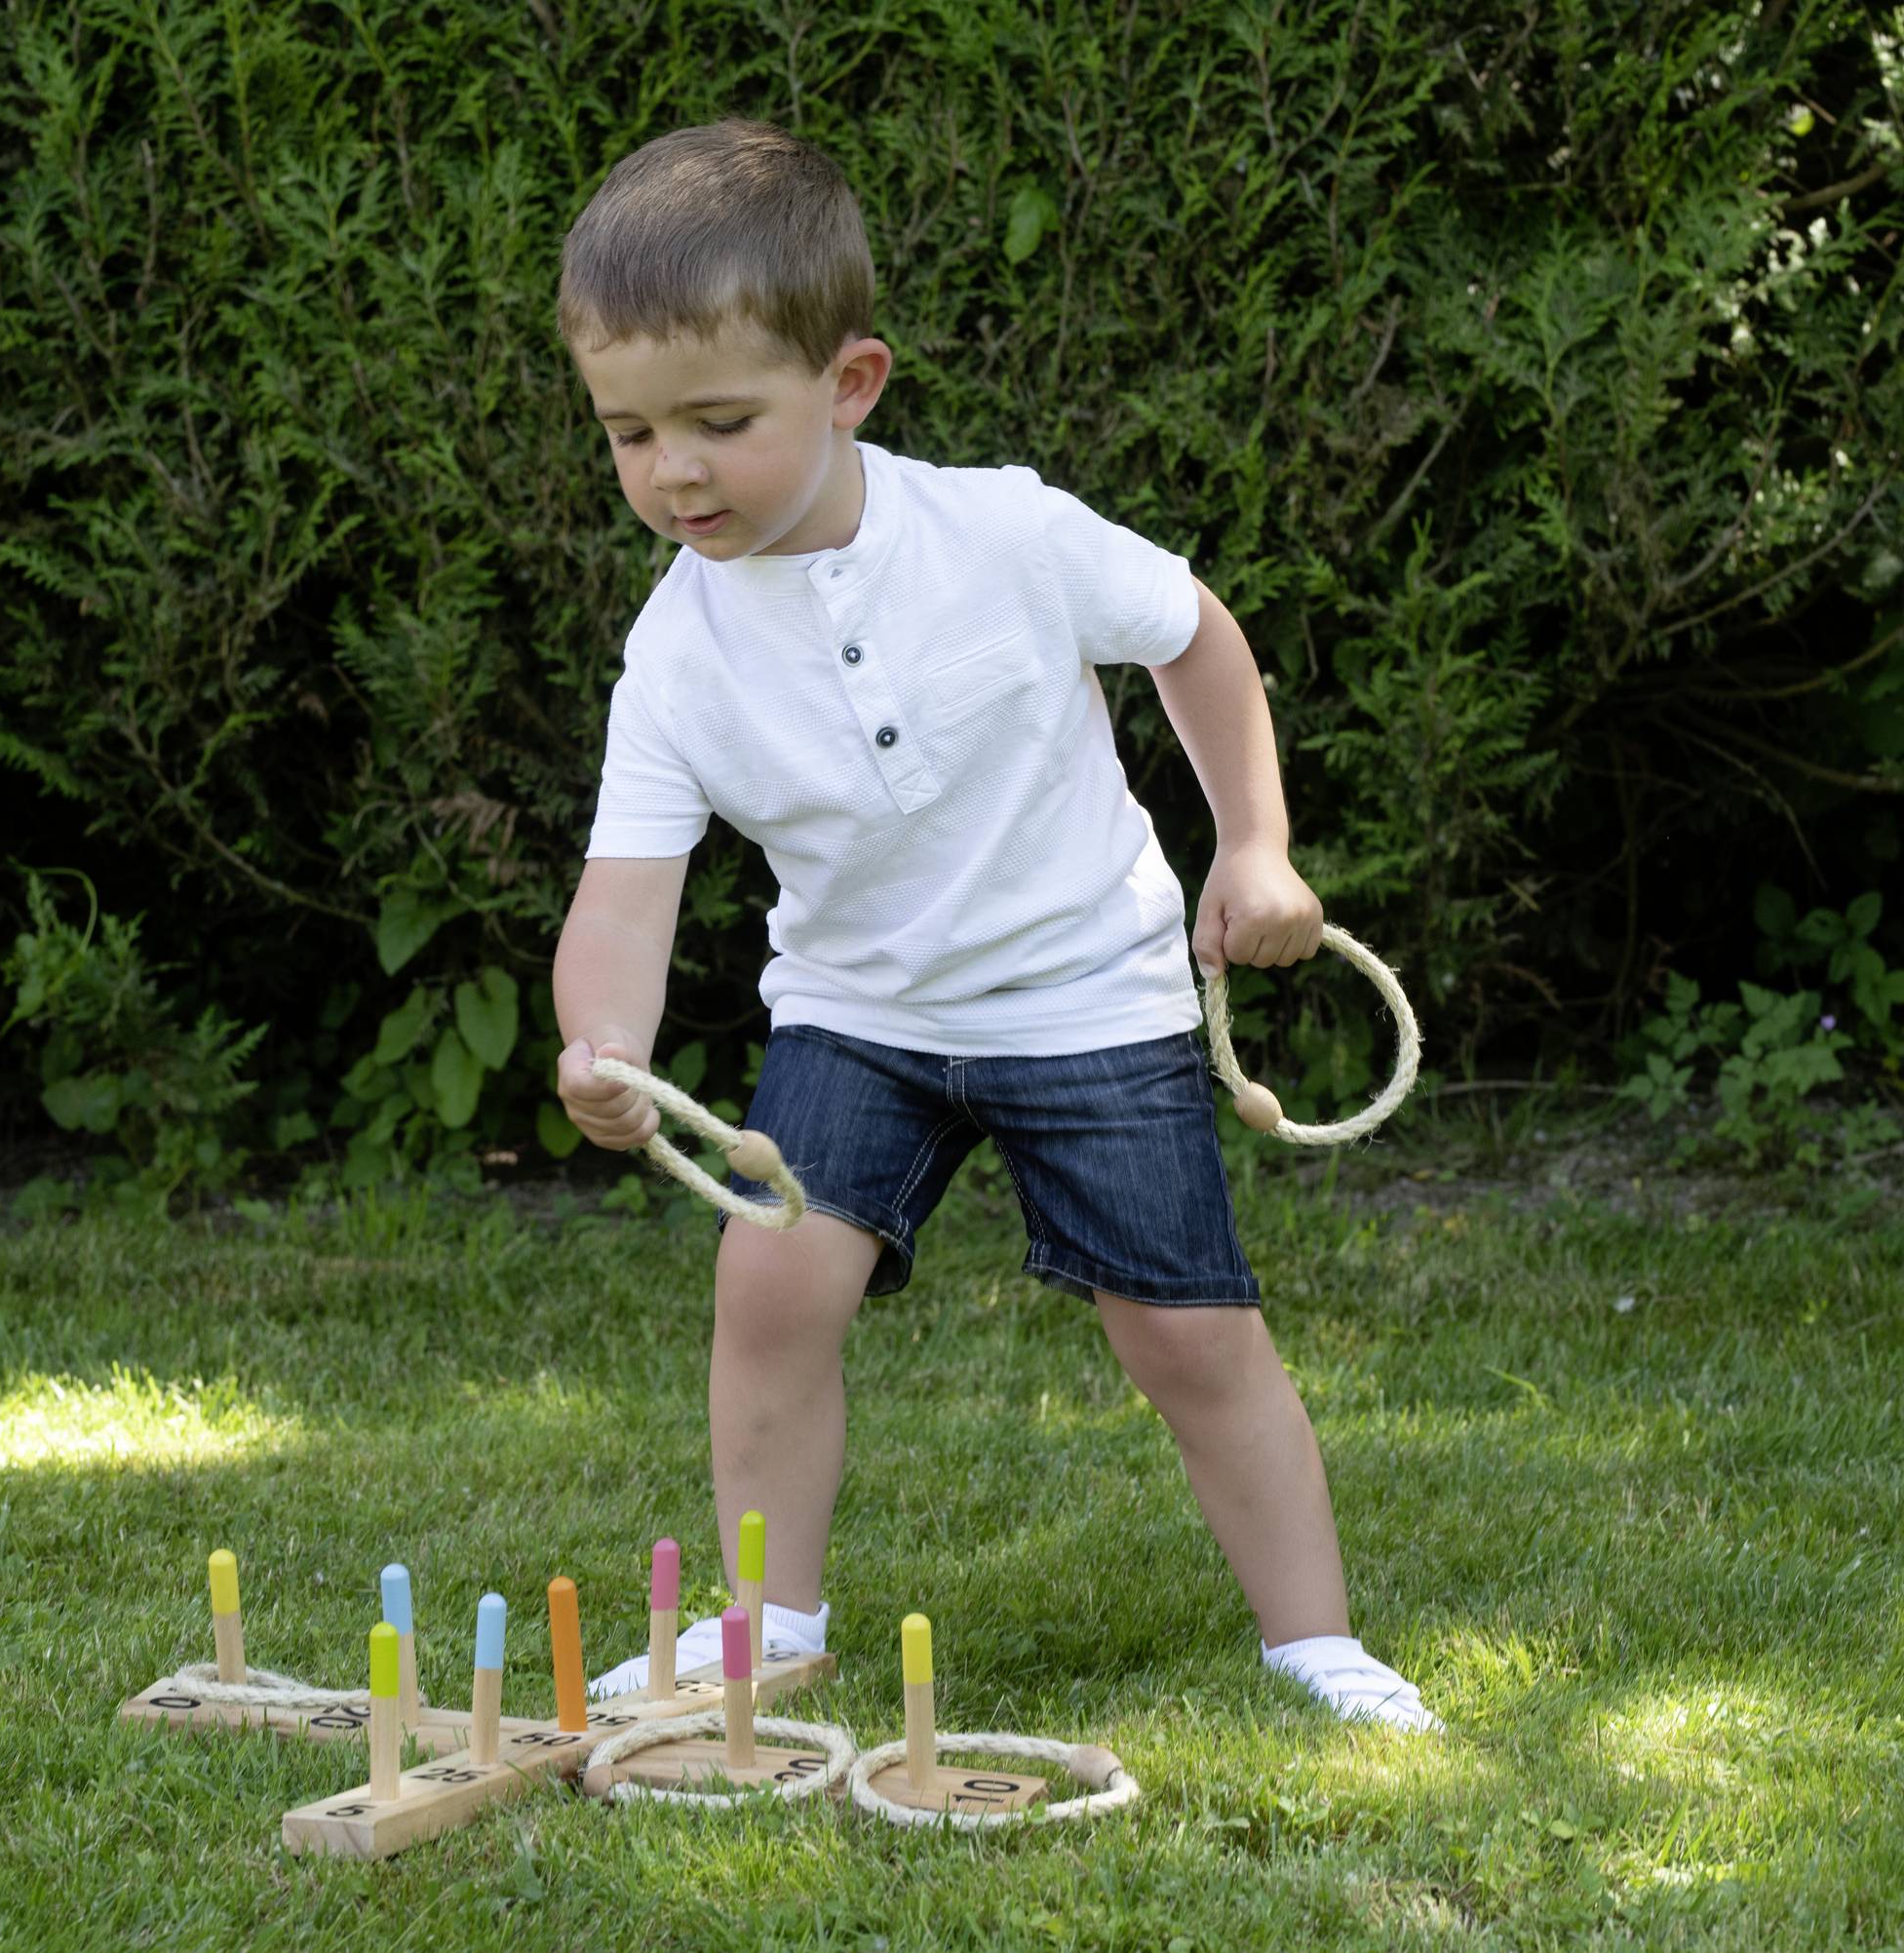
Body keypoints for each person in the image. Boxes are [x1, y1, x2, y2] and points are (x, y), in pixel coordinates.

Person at [548, 117, 1435, 1731]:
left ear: (852, 384)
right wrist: (599, 1041)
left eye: (718, 424)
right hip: (857, 1013)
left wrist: (1256, 848)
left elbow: (1194, 636)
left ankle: (1317, 1642)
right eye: (627, 434)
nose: (671, 473)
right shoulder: (675, 654)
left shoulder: (1005, 535)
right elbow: (625, 893)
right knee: (772, 1296)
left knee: (1184, 1333)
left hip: (1086, 997)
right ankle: (776, 1627)